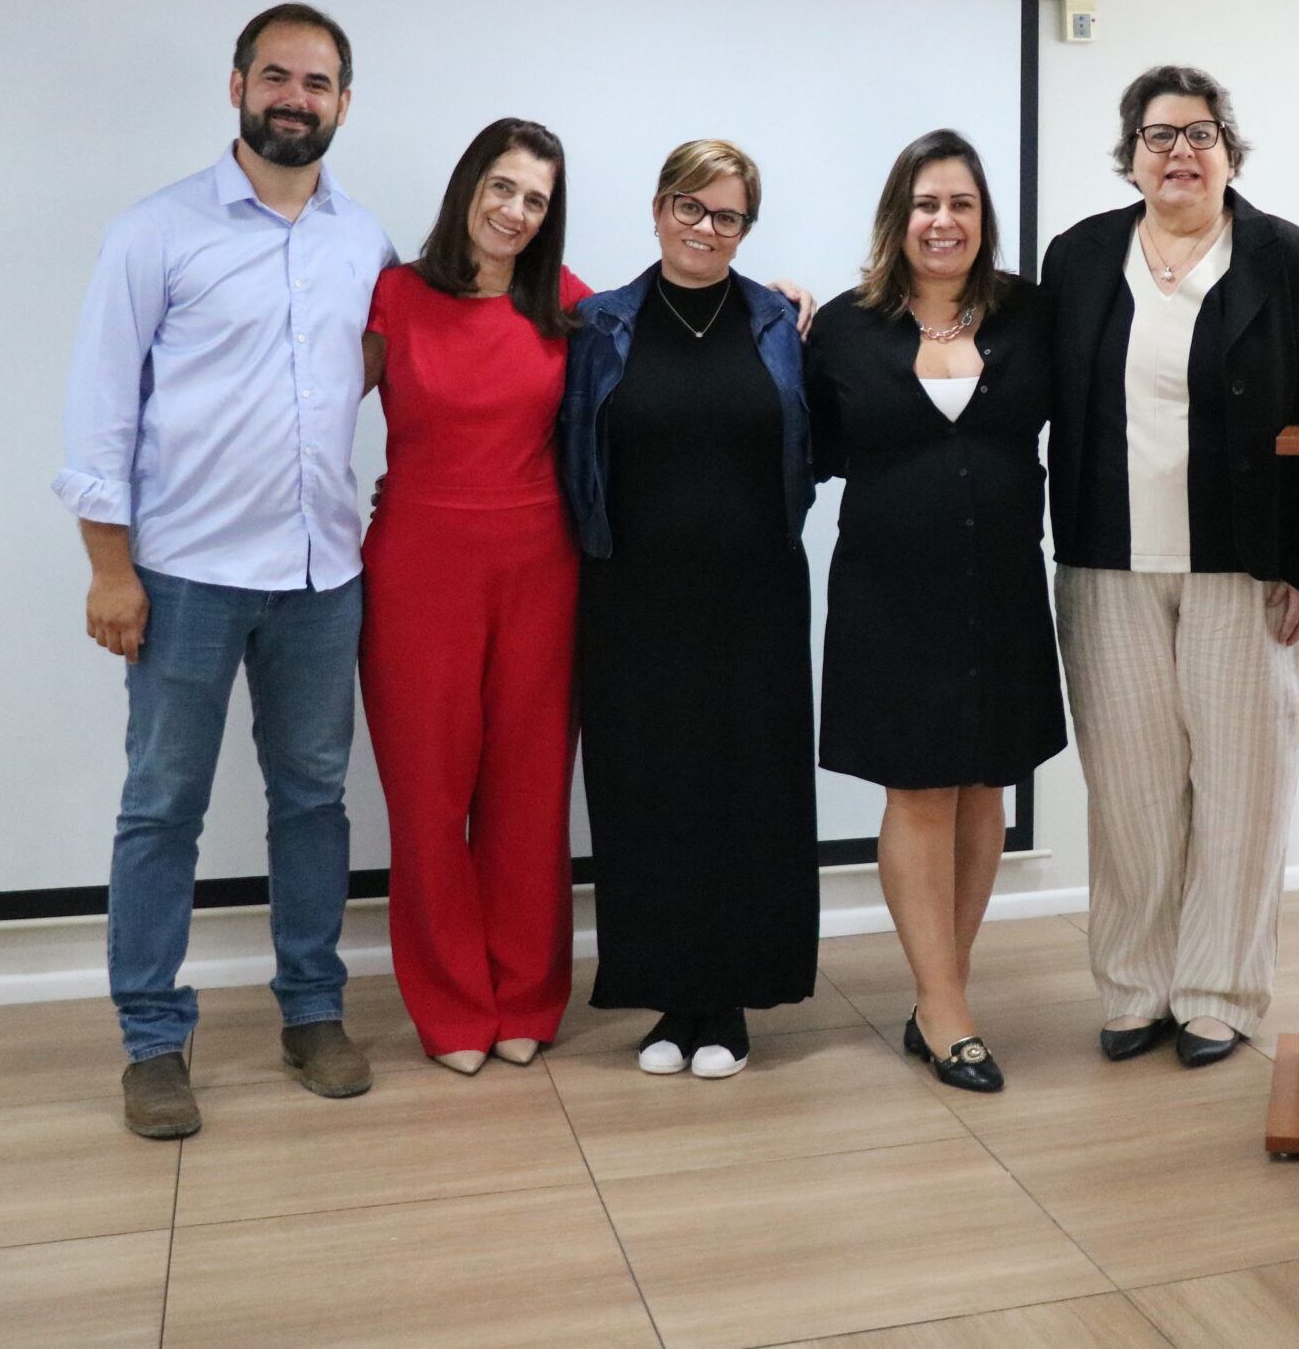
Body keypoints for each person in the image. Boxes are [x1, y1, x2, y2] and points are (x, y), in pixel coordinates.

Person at [57, 2, 393, 1140]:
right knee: (162, 809)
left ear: (345, 102)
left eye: (319, 81)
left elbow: (450, 357)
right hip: (187, 576)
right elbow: (99, 415)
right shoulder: (155, 232)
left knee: (312, 802)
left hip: (321, 580)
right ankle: (153, 1039)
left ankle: (311, 1012)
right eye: (277, 77)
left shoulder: (366, 244)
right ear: (239, 85)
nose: (296, 97)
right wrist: (112, 571)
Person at [1043, 65, 1299, 1069]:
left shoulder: (1293, 264)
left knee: (1241, 788)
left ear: (1231, 150)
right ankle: (1135, 988)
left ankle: (1219, 992)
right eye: (1157, 135)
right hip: (1107, 564)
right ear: (1129, 155)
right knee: (1132, 790)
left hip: (1250, 570)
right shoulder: (1082, 257)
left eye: (1199, 133)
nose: (1178, 152)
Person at [805, 131, 1064, 1094]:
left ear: (983, 217)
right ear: (897, 217)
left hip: (1000, 586)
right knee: (917, 789)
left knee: (986, 784)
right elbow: (809, 448)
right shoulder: (842, 326)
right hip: (888, 592)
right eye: (925, 204)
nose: (942, 221)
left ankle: (937, 992)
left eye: (960, 203)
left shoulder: (1031, 315)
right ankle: (945, 1005)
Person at [560, 139, 818, 1079]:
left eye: (728, 216)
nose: (706, 229)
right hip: (632, 596)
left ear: (748, 226)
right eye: (691, 207)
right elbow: (566, 453)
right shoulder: (600, 324)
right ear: (660, 206)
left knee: (746, 793)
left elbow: (812, 443)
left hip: (755, 595)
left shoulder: (777, 322)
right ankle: (669, 999)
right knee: (648, 795)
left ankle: (729, 1003)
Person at [359, 119, 590, 1076]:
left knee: (531, 794)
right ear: (468, 187)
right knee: (427, 793)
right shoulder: (396, 295)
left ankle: (528, 992)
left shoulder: (570, 304)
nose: (514, 211)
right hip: (417, 564)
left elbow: (677, 329)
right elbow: (314, 411)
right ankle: (453, 1003)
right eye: (502, 187)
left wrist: (783, 297)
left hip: (543, 563)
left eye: (535, 199)